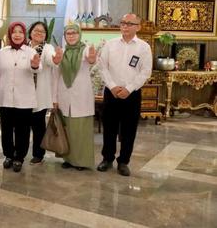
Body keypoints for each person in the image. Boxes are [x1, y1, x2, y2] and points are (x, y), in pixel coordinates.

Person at [97, 14, 152, 176]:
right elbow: (102, 67)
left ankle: (123, 162)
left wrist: (129, 89)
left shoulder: (144, 47)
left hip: (132, 94)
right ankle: (107, 158)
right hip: (111, 92)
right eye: (123, 23)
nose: (125, 26)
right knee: (109, 128)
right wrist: (113, 87)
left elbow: (145, 72)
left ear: (138, 27)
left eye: (129, 23)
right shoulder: (110, 44)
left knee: (129, 130)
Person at [0, 22, 41, 173]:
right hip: (5, 97)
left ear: (24, 35)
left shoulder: (30, 51)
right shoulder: (2, 52)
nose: (17, 35)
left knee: (23, 130)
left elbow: (37, 68)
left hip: (24, 98)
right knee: (7, 129)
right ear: (9, 34)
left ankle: (19, 157)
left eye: (20, 32)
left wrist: (35, 65)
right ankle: (8, 155)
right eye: (14, 32)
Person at [53, 24, 97, 170]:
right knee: (67, 130)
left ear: (79, 34)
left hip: (81, 97)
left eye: (74, 33)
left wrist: (91, 59)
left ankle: (81, 161)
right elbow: (56, 75)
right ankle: (69, 159)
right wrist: (55, 98)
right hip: (64, 97)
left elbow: (90, 59)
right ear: (64, 36)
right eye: (68, 33)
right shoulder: (62, 51)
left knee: (80, 131)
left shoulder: (84, 49)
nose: (71, 36)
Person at [27, 21, 62, 164]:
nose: (39, 33)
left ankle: (38, 154)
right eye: (36, 30)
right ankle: (19, 152)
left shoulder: (47, 48)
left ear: (46, 35)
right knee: (22, 125)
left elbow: (51, 60)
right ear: (30, 32)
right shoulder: (23, 46)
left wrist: (56, 59)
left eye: (42, 32)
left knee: (38, 126)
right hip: (23, 93)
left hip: (39, 94)